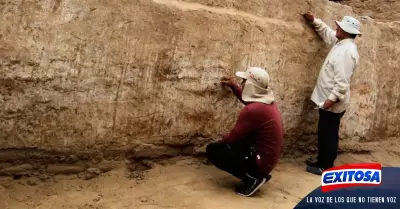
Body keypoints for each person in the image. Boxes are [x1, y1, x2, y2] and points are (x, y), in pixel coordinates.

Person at [206, 67, 284, 197]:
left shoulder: (253, 110)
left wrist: (221, 143)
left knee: (214, 150)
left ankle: (253, 178)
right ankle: (255, 174)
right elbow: (248, 100)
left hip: (261, 162)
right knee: (234, 144)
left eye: (244, 81)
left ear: (250, 86)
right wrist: (234, 86)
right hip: (266, 158)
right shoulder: (266, 101)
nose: (242, 84)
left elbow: (232, 138)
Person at [302, 12, 361, 175]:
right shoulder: (341, 43)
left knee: (327, 134)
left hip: (332, 102)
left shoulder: (347, 52)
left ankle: (325, 166)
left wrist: (331, 99)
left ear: (347, 31)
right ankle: (322, 160)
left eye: (340, 27)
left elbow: (342, 82)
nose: (337, 27)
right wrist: (315, 21)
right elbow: (328, 33)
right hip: (328, 100)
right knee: (326, 131)